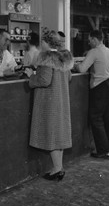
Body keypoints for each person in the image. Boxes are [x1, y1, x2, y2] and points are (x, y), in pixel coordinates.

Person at [25, 30, 73, 181]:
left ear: (46, 43)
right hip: (61, 100)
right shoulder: (63, 57)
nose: (41, 44)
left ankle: (57, 168)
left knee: (51, 134)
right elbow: (69, 77)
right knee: (59, 134)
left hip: (49, 103)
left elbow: (44, 80)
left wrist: (31, 77)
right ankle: (58, 167)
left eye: (43, 42)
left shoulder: (46, 58)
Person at [75, 29, 109, 159]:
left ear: (95, 39)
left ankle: (103, 151)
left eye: (90, 39)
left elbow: (82, 69)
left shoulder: (94, 52)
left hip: (99, 87)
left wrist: (75, 65)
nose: (88, 41)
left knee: (95, 118)